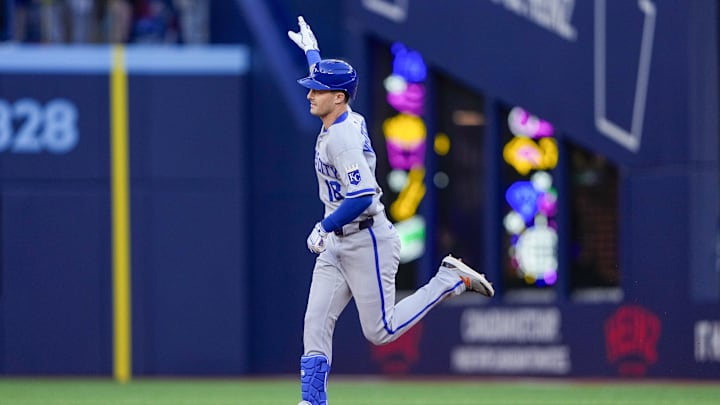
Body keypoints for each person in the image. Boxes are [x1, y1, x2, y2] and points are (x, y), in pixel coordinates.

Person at [287, 16, 495, 405]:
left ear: (339, 98)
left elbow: (364, 195)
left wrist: (325, 225)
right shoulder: (340, 115)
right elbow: (331, 87)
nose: (311, 94)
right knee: (315, 322)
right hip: (338, 244)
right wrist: (312, 54)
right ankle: (312, 401)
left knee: (380, 331)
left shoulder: (343, 138)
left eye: (318, 89)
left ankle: (449, 280)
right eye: (312, 87)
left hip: (367, 238)